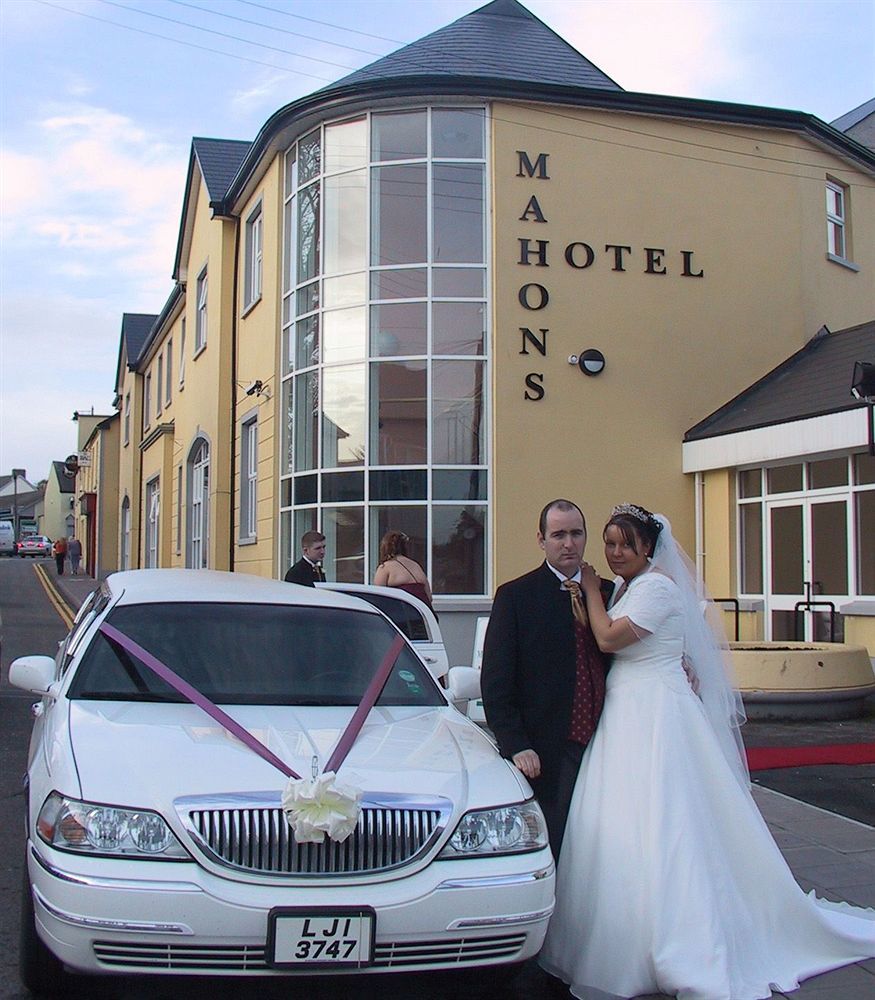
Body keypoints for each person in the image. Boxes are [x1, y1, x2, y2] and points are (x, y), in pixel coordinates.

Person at [540, 504, 875, 999]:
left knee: (670, 825)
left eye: (623, 544)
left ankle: (680, 940)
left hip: (657, 718)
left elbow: (609, 637)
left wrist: (590, 589)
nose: (612, 554)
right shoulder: (631, 588)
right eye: (608, 543)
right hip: (627, 714)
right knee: (622, 825)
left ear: (648, 548)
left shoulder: (656, 588)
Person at [481, 499, 613, 860]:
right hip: (548, 748)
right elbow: (496, 681)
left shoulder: (607, 593)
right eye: (558, 535)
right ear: (541, 539)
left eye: (576, 533)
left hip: (608, 743)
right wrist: (516, 743)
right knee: (555, 840)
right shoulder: (516, 597)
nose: (568, 543)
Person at [373, 531, 434, 611]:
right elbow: (429, 597)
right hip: (425, 614)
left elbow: (378, 598)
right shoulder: (416, 565)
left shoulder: (385, 568)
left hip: (402, 616)